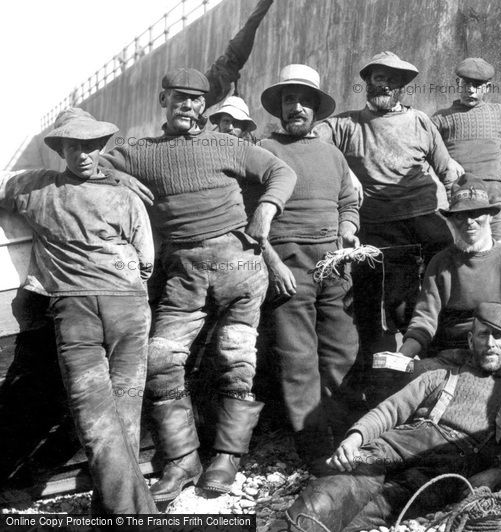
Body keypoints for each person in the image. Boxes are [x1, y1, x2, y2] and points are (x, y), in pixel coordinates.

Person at [101, 67, 298, 502]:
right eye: (179, 98)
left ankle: (228, 456)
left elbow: (280, 172)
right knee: (159, 359)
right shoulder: (141, 151)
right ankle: (182, 459)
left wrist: (266, 209)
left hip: (239, 269)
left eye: (196, 100)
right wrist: (120, 177)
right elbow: (89, 162)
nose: (187, 106)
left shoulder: (224, 143)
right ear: (163, 99)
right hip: (183, 275)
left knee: (236, 358)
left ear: (204, 106)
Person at [278, 303, 501, 532]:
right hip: (398, 445)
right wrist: (356, 437)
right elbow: (391, 410)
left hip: (443, 473)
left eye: (500, 338)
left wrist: (492, 476)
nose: (490, 344)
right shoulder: (440, 375)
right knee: (333, 494)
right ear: (471, 340)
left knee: (368, 514)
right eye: (484, 334)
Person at [0, 108, 156, 514]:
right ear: (61, 149)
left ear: (101, 147)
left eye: (90, 146)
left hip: (122, 313)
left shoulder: (36, 189)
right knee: (99, 420)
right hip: (91, 308)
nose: (83, 154)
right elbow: (146, 261)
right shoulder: (46, 189)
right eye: (74, 147)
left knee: (117, 416)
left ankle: (118, 515)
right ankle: (134, 516)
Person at [314, 50, 463, 405]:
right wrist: (345, 170)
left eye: (392, 80)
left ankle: (451, 363)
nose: (384, 84)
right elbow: (313, 137)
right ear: (367, 84)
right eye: (378, 78)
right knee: (373, 303)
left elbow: (448, 170)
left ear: (401, 88)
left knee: (448, 279)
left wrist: (461, 199)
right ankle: (374, 383)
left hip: (421, 218)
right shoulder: (347, 125)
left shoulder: (419, 122)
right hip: (377, 225)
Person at [256, 64, 360, 470]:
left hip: (335, 267)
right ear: (279, 108)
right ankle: (315, 452)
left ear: (316, 107)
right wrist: (272, 263)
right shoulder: (263, 150)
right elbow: (247, 216)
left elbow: (348, 202)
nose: (296, 107)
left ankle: (353, 439)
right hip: (287, 267)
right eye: (288, 100)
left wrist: (348, 231)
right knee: (298, 361)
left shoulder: (332, 153)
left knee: (343, 353)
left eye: (304, 100)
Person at [394, 177, 501, 361]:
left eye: (476, 214)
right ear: (451, 220)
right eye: (460, 215)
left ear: (489, 216)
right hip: (452, 357)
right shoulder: (440, 263)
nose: (469, 222)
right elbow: (424, 319)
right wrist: (402, 357)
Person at [431, 57, 501, 243]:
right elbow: (424, 146)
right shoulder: (441, 119)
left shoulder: (499, 113)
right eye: (465, 83)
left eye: (477, 85)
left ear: (487, 88)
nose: (470, 89)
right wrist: (446, 159)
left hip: (492, 199)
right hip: (459, 201)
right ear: (457, 84)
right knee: (459, 256)